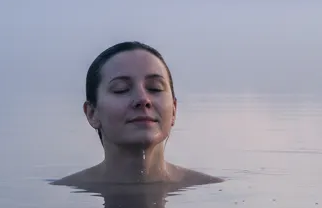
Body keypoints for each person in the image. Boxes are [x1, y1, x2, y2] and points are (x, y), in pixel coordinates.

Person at [53, 41, 221, 189]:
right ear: (92, 113)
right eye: (121, 89)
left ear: (174, 110)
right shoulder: (61, 194)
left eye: (154, 88)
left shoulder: (211, 190)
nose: (142, 99)